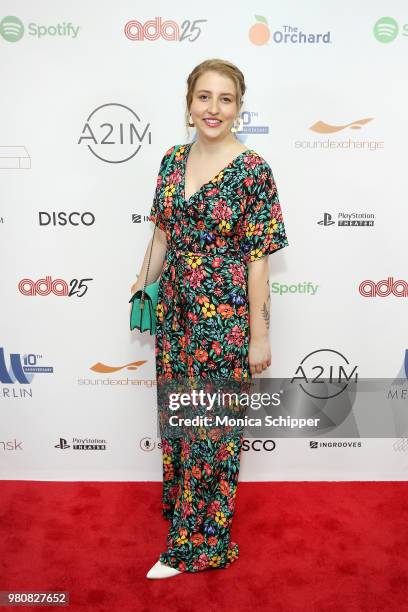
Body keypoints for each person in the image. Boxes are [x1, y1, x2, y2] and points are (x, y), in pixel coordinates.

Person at [130, 58, 289, 579]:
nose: (213, 108)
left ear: (239, 108)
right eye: (204, 97)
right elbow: (161, 235)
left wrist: (259, 337)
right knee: (180, 422)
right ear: (189, 103)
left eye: (225, 98)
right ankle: (184, 515)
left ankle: (201, 545)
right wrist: (142, 282)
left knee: (211, 432)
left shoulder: (253, 171)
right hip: (175, 314)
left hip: (223, 322)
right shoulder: (171, 160)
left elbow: (258, 260)